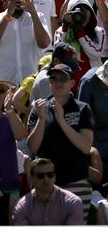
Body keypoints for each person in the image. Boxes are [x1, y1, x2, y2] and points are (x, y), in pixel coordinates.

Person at [27, 63, 95, 220]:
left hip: (76, 181)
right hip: (45, 183)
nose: (58, 82)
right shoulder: (39, 109)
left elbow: (86, 147)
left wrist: (62, 121)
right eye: (53, 78)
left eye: (63, 79)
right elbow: (33, 146)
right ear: (49, 82)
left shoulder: (82, 109)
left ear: (72, 83)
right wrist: (42, 119)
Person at [12, 157, 84, 225]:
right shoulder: (21, 206)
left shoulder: (73, 202)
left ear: (55, 177)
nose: (46, 180)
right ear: (32, 179)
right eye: (40, 176)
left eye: (50, 175)